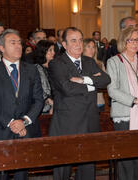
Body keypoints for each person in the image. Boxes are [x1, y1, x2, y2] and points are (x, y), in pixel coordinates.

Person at [48, 27, 111, 180]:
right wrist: (92, 84)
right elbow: (67, 88)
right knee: (63, 168)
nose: (78, 44)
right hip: (67, 123)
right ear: (64, 44)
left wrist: (84, 80)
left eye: (80, 40)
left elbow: (105, 80)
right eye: (73, 40)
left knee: (88, 167)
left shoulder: (89, 61)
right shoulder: (57, 63)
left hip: (89, 120)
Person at [0, 29, 44, 180]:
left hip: (26, 130)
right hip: (1, 131)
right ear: (1, 48)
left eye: (19, 43)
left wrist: (23, 121)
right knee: (1, 175)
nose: (18, 46)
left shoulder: (31, 70)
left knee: (22, 174)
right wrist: (11, 123)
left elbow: (38, 100)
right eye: (12, 43)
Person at [107, 26, 138, 180]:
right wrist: (135, 100)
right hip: (124, 115)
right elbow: (112, 90)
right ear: (123, 41)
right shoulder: (114, 61)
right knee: (127, 159)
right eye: (131, 40)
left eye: (137, 39)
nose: (134, 43)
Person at [83, 38, 106, 111]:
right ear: (83, 48)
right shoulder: (78, 64)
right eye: (88, 47)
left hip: (99, 101)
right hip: (84, 102)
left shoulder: (100, 64)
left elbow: (105, 82)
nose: (91, 49)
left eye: (93, 47)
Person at [34, 40, 55, 114]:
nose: (53, 53)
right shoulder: (36, 69)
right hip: (43, 109)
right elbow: (40, 90)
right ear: (43, 51)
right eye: (50, 50)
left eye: (53, 50)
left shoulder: (54, 67)